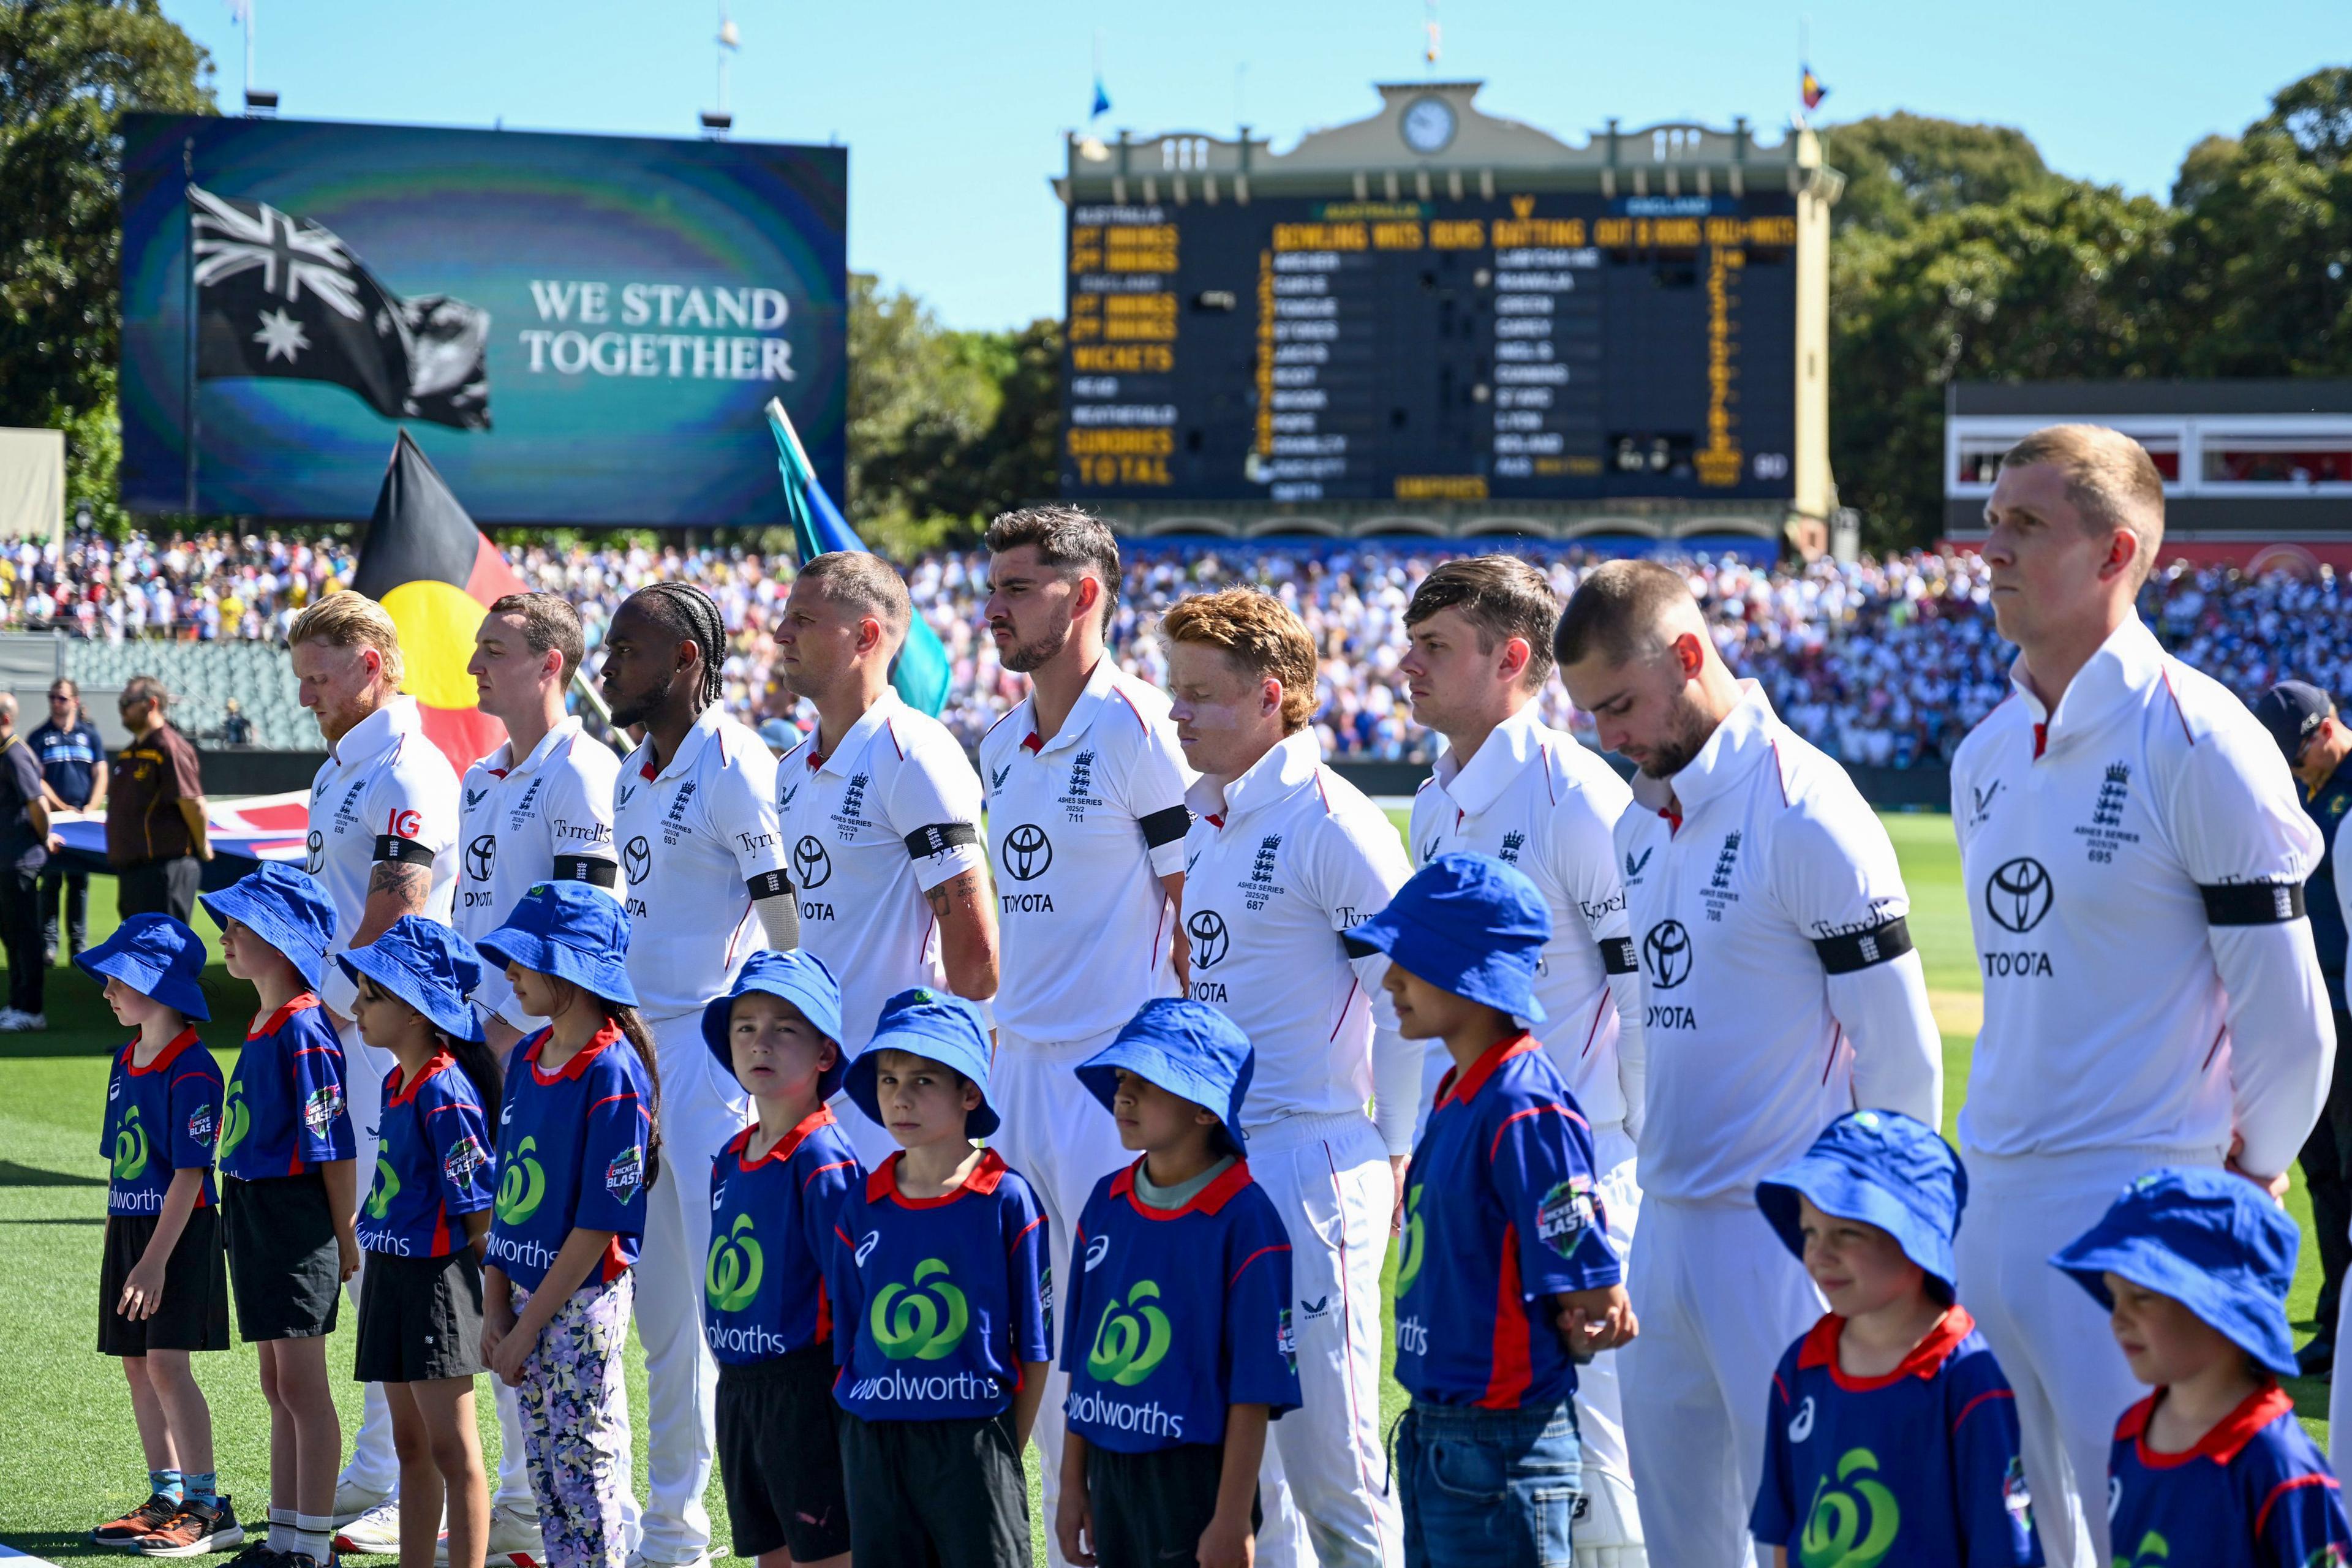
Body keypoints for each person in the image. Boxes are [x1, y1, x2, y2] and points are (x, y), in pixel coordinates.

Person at [1949, 426, 2333, 1566]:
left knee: (2155, 1537)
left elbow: (2290, 1016)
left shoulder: (2203, 739)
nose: (1992, 548)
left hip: (2138, 1209)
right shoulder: (1983, 754)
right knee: (2014, 1541)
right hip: (1996, 1207)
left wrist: (2244, 1182)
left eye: (2026, 525)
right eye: (1990, 522)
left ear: (2118, 552)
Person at [1555, 560, 1943, 1568]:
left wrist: (1881, 1244)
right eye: (1593, 714)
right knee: (1681, 1538)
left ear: (1690, 657)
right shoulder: (1639, 815)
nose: (1610, 737)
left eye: (1622, 706)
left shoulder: (1809, 809)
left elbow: (1900, 1059)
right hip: (1668, 1225)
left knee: (1818, 1532)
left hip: (1784, 1241)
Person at [1158, 587, 1418, 1567]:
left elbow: (1409, 1007)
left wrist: (1393, 1149)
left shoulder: (1335, 823)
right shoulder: (1206, 817)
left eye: (1200, 694)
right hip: (1220, 1167)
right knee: (1242, 1472)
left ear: (1271, 695)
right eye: (1175, 690)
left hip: (1312, 1164)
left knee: (1336, 1469)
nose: (1176, 712)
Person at [1396, 556, 1648, 1566]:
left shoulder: (1577, 793)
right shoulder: (1430, 801)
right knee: (1492, 1448)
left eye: (1434, 647)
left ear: (1510, 659)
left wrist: (1626, 1144)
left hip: (1575, 1173)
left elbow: (1645, 989)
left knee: (1607, 1462)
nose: (1407, 666)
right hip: (1468, 1180)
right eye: (1412, 644)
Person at [975, 506, 1191, 1564]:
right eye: (995, 583)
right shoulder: (998, 742)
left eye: (1018, 586)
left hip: (1114, 1084)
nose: (994, 605)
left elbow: (1192, 913)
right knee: (1029, 1334)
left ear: (1087, 595)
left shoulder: (1139, 729)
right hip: (1017, 1067)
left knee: (1120, 1330)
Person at [1346, 854, 1635, 1568]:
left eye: (1410, 961)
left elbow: (1591, 1285)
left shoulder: (1523, 1104)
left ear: (1470, 973)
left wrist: (1593, 1305)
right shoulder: (1457, 1088)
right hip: (1441, 1435)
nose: (1388, 981)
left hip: (1501, 1451)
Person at [600, 582, 795, 1568]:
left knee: (737, 1309)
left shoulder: (736, 762)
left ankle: (782, 1527)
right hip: (641, 1054)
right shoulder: (635, 772)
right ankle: (673, 1532)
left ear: (684, 659)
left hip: (713, 1060)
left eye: (625, 650)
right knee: (666, 1316)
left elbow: (789, 924)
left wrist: (771, 1056)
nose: (607, 667)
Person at [290, 590, 461, 1545]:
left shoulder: (408, 764)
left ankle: (421, 1479)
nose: (308, 696)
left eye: (320, 676)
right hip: (344, 1034)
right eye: (303, 679)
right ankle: (375, 1461)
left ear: (373, 662)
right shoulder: (339, 769)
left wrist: (331, 1007)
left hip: (388, 1039)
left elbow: (397, 908)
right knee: (362, 1249)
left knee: (405, 1254)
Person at [458, 592, 620, 1568]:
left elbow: (587, 933)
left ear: (553, 663)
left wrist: (528, 1042)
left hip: (546, 1060)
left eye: (497, 650)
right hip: (489, 1050)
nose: (476, 665)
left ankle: (602, 1526)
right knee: (506, 1271)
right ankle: (526, 1513)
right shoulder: (483, 774)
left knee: (565, 1293)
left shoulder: (583, 770)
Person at [771, 551, 998, 1167]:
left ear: (866, 635)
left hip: (887, 1093)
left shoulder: (916, 755)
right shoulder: (790, 770)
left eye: (803, 619)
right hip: (800, 1086)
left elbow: (976, 962)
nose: (779, 632)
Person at [1055, 999, 1300, 1568]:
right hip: (1109, 1472)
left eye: (1148, 1082)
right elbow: (1083, 1360)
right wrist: (1073, 1485)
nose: (1123, 1095)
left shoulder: (1246, 1220)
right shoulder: (1105, 1202)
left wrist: (1233, 1516)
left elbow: (1255, 1389)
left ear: (1207, 1111)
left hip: (1192, 1479)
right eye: (1121, 1078)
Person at [1749, 1111, 2037, 1568]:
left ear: (1916, 1239)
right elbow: (1786, 1530)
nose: (1821, 1254)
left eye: (1848, 1232)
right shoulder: (1801, 1367)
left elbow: (2002, 1547)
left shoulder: (1966, 1376)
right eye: (1810, 1231)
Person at [827, 988, 1051, 1568]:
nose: (901, 1098)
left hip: (973, 1445)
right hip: (876, 1446)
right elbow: (848, 1339)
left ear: (969, 1093)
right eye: (888, 1080)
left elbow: (1034, 1348)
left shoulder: (1007, 1201)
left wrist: (998, 1451)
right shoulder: (861, 1205)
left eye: (924, 1080)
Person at [476, 883, 662, 1568]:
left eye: (526, 959)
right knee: (547, 1475)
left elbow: (595, 1225)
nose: (511, 973)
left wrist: (526, 1325)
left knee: (584, 1472)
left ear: (573, 970)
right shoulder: (525, 1057)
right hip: (522, 1298)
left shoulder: (613, 1073)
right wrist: (497, 1303)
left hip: (580, 1303)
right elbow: (507, 1190)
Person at [2049, 1167, 2352, 1562]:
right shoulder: (2130, 1430)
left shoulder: (2277, 1465)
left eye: (2141, 1296)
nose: (2117, 1318)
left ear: (2220, 1308)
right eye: (2113, 1295)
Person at [200, 861, 358, 1568]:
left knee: (300, 1383)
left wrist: (344, 1233)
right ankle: (287, 1533)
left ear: (286, 942)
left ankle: (313, 1545)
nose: (227, 936)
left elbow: (334, 1142)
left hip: (295, 1218)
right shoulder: (267, 1020)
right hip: (255, 1211)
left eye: (243, 925)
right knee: (274, 1383)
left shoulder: (305, 1028)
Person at [343, 918, 503, 1568]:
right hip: (389, 1274)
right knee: (410, 1444)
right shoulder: (395, 1080)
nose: (355, 1006)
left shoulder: (445, 1090)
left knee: (453, 1450)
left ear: (415, 1010)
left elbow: (479, 1213)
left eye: (371, 995)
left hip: (435, 1282)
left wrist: (498, 1306)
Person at [83, 913, 238, 1557]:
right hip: (131, 1226)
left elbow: (190, 1172)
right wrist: (130, 1246)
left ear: (160, 985)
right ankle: (166, 1494)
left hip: (177, 1232)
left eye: (120, 977)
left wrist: (152, 1261)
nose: (107, 990)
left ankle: (207, 1503)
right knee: (136, 1363)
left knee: (169, 1365)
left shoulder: (195, 1069)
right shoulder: (126, 1056)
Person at [699, 950, 858, 1568]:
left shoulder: (822, 1159)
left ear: (824, 1054)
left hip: (807, 1391)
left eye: (784, 1028)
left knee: (825, 1555)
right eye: (745, 1027)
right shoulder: (732, 1155)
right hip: (741, 1388)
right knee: (772, 1554)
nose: (760, 1042)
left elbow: (851, 1294)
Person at [2248, 680, 2352, 1377]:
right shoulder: (2309, 795)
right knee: (2323, 1175)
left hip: (2348, 1011)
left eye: (2295, 756)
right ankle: (2335, 1320)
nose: (2293, 769)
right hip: (2311, 1014)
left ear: (2324, 731)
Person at [108, 677, 211, 924]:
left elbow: (193, 803)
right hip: (133, 870)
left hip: (164, 869)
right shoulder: (130, 752)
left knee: (162, 949)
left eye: (127, 702)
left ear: (151, 704)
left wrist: (201, 843)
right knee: (138, 950)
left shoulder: (168, 748)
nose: (121, 709)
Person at [31, 677, 105, 963]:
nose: (55, 702)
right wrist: (62, 807)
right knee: (50, 883)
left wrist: (91, 807)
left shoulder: (90, 735)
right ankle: (48, 945)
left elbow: (101, 773)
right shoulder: (39, 736)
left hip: (82, 821)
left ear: (75, 701)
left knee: (79, 885)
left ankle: (78, 945)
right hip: (53, 821)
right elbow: (36, 780)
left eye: (61, 698)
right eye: (52, 697)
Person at [0, 690, 51, 1030]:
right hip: (8, 860)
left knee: (25, 935)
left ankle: (31, 1010)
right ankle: (17, 1002)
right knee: (12, 936)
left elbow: (38, 803)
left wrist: (44, 838)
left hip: (20, 862)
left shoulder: (14, 754)